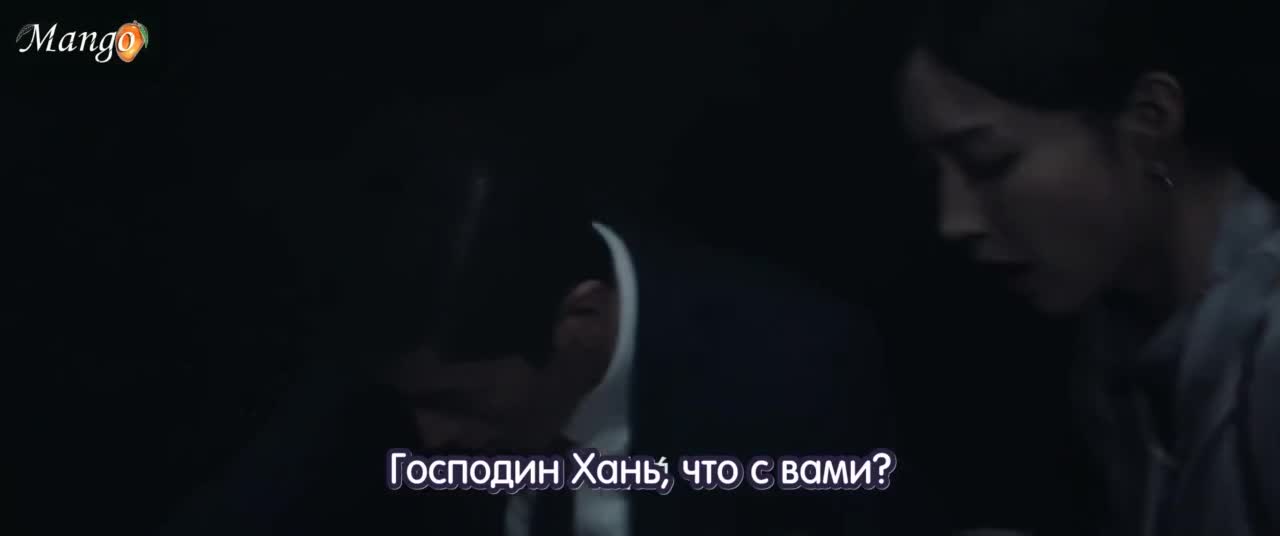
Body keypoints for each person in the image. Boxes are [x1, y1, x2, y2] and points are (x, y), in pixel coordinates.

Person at [161, 95, 893, 535]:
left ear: (580, 323)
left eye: (457, 405)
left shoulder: (792, 372)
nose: (430, 441)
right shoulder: (408, 352)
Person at [896, 1, 1278, 535]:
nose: (952, 221)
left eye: (987, 161)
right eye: (933, 174)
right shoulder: (1112, 349)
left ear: (1150, 121)